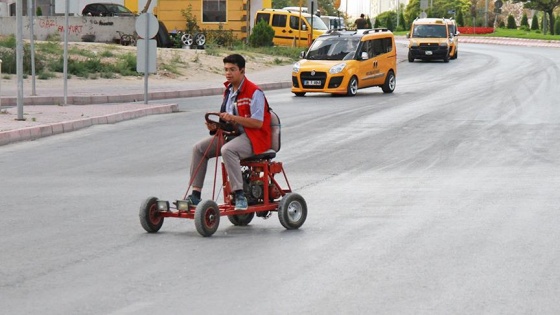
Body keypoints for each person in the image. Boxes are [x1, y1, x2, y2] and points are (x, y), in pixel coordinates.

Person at [185, 54, 272, 211]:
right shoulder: (228, 92)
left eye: (232, 70)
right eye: (226, 70)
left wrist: (234, 118)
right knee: (198, 149)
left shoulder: (254, 92)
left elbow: (258, 123)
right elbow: (227, 122)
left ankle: (239, 195)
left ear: (242, 70)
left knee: (228, 150)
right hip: (233, 135)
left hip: (254, 138)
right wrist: (215, 127)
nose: (228, 73)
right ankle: (196, 195)